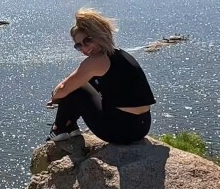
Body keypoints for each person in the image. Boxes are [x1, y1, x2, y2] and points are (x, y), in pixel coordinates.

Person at [49, 8, 155, 144]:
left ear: (99, 35)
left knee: (75, 87)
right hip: (142, 126)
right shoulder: (120, 55)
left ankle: (59, 128)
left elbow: (63, 88)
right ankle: (70, 126)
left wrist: (55, 96)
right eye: (78, 46)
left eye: (87, 41)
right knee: (81, 83)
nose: (84, 48)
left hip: (120, 131)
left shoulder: (97, 60)